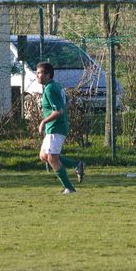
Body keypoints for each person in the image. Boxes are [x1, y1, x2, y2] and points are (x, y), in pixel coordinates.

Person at [35, 61, 85, 195]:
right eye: (37, 73)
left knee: (52, 158)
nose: (38, 75)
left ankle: (69, 188)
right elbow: (66, 102)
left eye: (41, 73)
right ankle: (76, 164)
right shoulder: (55, 86)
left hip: (56, 128)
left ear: (48, 75)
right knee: (44, 156)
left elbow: (58, 111)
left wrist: (43, 122)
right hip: (55, 127)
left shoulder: (50, 89)